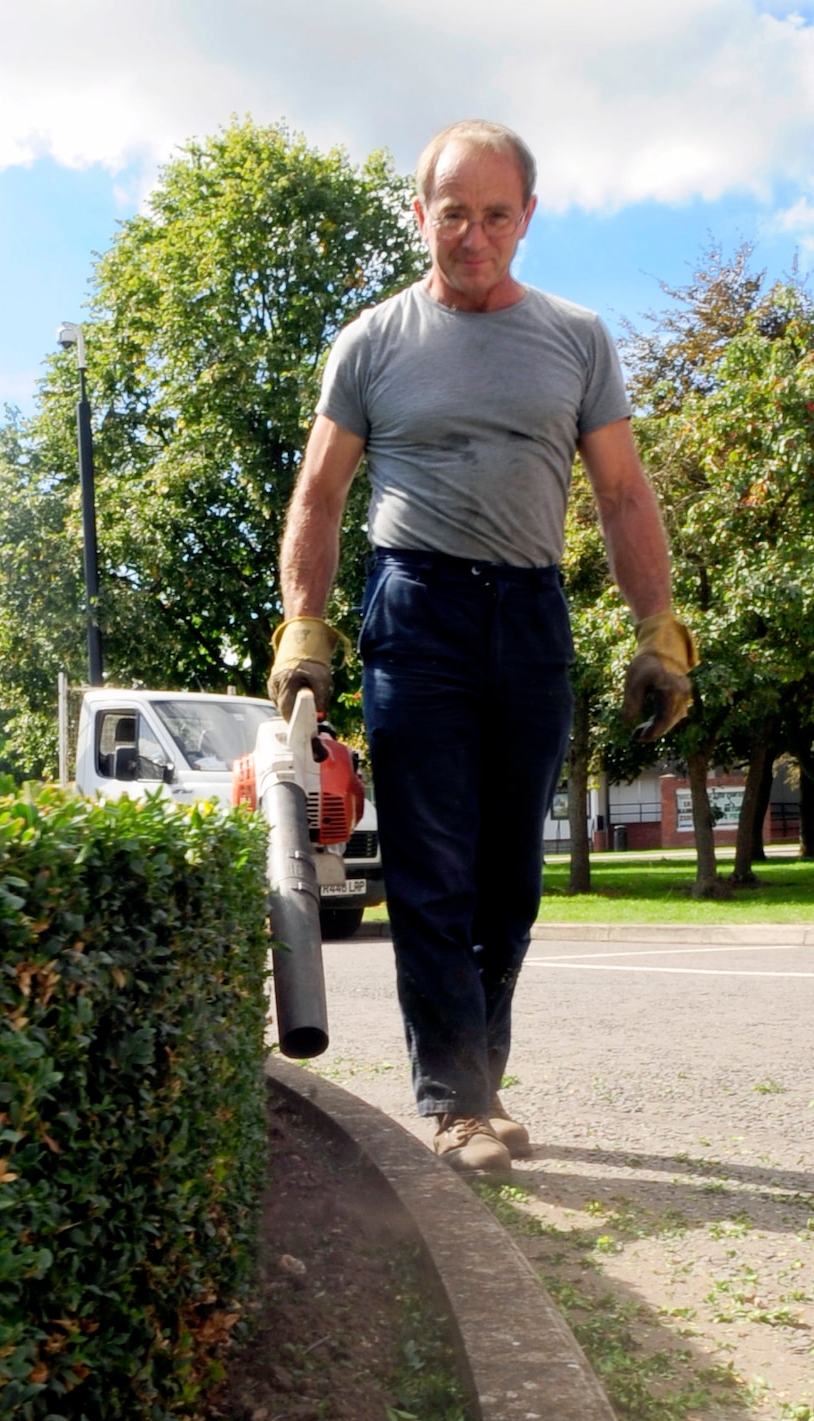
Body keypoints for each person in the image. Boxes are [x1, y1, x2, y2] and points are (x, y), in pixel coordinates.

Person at [270, 118, 696, 1176]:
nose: (470, 235)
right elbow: (319, 495)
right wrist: (304, 625)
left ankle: (476, 1075)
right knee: (430, 868)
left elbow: (622, 492)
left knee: (509, 876)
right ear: (419, 213)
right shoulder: (371, 340)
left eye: (493, 213)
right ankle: (455, 1099)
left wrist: (658, 628)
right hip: (414, 613)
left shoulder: (575, 337)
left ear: (526, 218)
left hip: (529, 615)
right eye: (450, 212)